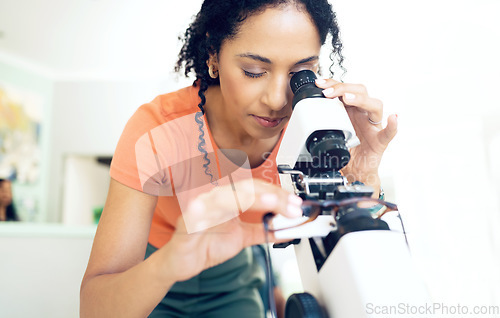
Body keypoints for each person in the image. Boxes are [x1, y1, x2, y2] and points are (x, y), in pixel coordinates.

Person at [80, 0, 398, 317]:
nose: (276, 100)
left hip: (237, 272)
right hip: (155, 269)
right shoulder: (159, 130)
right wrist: (171, 262)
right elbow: (93, 307)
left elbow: (364, 257)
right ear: (213, 55)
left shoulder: (314, 131)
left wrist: (363, 175)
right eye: (253, 71)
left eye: (299, 73)